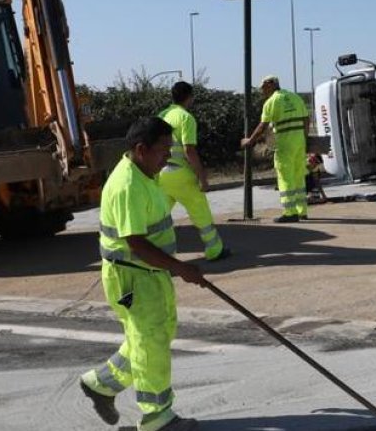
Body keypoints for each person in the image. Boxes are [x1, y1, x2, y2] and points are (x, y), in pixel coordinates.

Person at [79, 117, 206, 431]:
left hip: (149, 273)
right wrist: (181, 268)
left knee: (150, 336)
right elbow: (135, 243)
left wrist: (174, 267)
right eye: (163, 150)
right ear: (140, 149)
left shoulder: (146, 173)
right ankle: (157, 417)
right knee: (151, 343)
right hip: (133, 277)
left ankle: (102, 384)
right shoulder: (128, 185)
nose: (168, 156)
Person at [158, 81, 230, 261]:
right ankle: (214, 250)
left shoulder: (162, 116)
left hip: (161, 173)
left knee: (159, 216)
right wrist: (202, 177)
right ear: (189, 97)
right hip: (181, 173)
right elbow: (189, 150)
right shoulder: (185, 118)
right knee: (200, 211)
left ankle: (154, 253)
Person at [241, 75, 309, 223]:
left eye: (263, 87)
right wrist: (305, 138)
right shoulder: (295, 97)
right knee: (299, 177)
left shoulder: (271, 102)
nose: (262, 91)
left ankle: (290, 213)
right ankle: (302, 210)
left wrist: (250, 141)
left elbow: (262, 126)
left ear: (270, 85)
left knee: (285, 178)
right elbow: (306, 118)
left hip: (285, 143)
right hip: (299, 142)